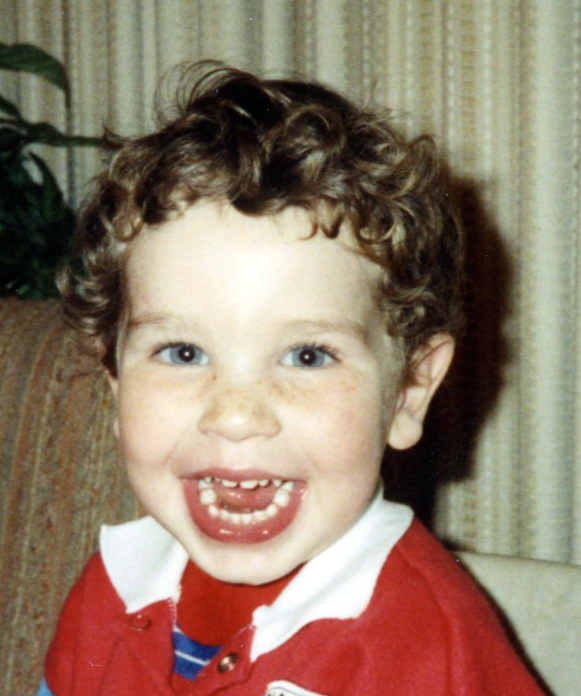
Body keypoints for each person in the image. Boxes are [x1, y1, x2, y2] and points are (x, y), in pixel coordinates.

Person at [39, 62, 545, 696]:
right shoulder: (114, 583)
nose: (235, 415)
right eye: (183, 352)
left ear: (410, 390)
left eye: (307, 356)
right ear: (115, 382)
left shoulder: (429, 652)